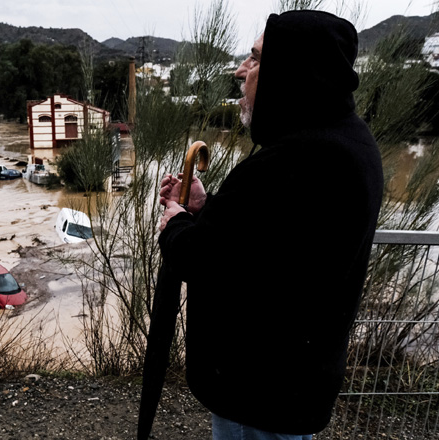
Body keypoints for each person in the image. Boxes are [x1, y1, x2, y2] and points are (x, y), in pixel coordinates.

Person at [157, 10, 384, 440]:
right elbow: (265, 245)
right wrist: (205, 209)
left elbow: (203, 259)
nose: (241, 70)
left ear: (293, 71)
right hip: (293, 387)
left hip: (257, 396)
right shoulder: (346, 143)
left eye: (256, 58)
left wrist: (176, 224)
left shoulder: (294, 161)